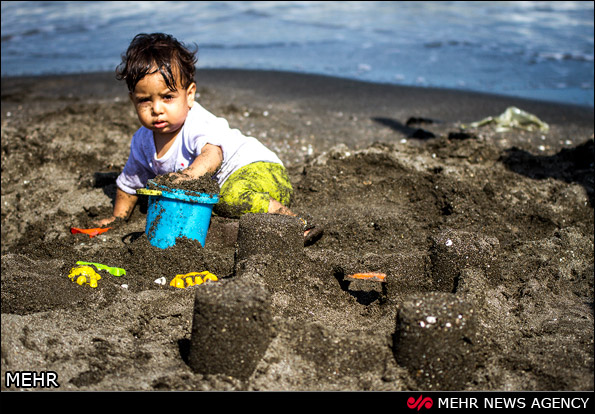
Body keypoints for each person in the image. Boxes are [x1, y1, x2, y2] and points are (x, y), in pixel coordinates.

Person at [94, 33, 322, 245]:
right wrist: (118, 218)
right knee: (218, 201)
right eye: (145, 100)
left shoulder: (196, 122)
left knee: (227, 198)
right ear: (133, 100)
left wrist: (187, 177)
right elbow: (129, 183)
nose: (157, 109)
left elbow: (213, 155)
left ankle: (294, 222)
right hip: (242, 186)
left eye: (168, 97)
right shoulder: (142, 141)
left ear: (189, 94)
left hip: (261, 171)